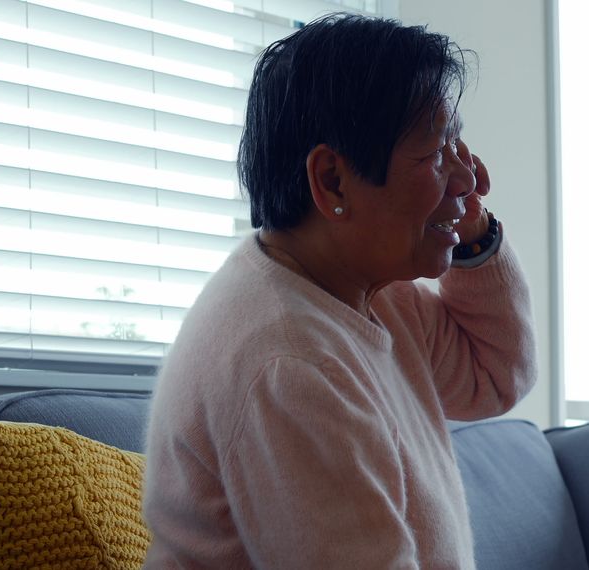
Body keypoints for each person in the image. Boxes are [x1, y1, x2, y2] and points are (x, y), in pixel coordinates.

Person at [143, 13, 535, 569]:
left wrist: (474, 237)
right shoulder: (289, 362)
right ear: (331, 180)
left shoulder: (363, 293)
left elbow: (494, 378)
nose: (469, 177)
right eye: (434, 152)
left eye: (457, 143)